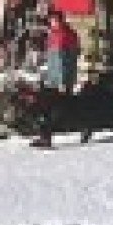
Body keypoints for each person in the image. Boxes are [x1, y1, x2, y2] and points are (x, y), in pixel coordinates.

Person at [33, 9, 81, 148]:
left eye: (53, 20)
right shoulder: (58, 34)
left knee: (51, 108)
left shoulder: (62, 35)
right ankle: (46, 137)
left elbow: (62, 61)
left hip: (59, 80)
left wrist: (61, 81)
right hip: (55, 78)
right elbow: (53, 59)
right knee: (58, 107)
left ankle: (46, 138)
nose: (51, 22)